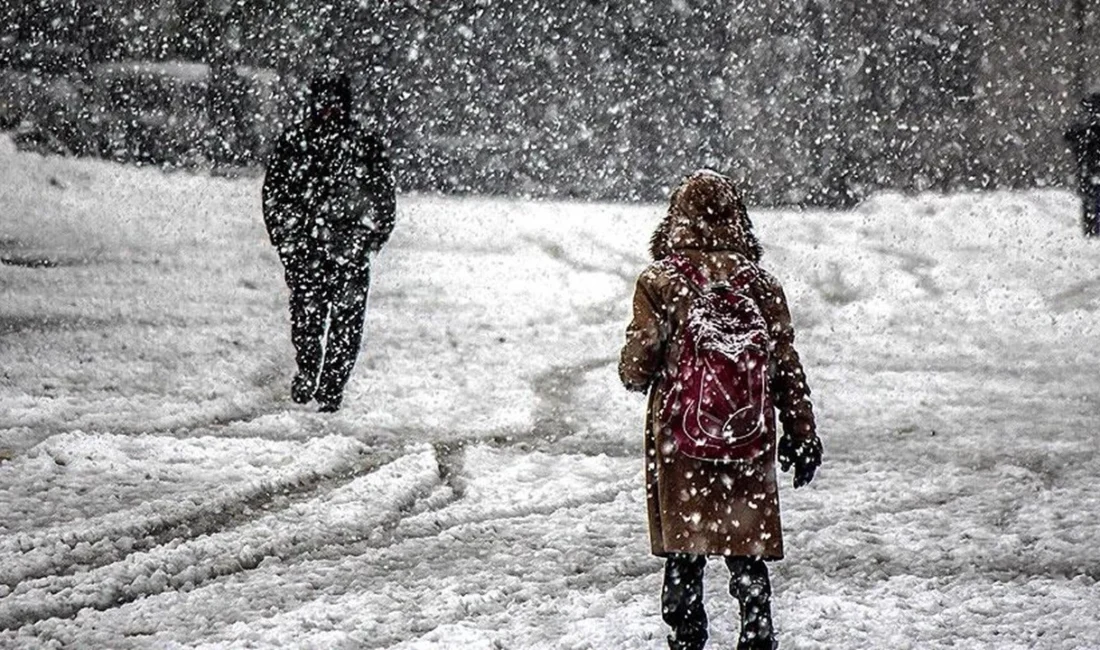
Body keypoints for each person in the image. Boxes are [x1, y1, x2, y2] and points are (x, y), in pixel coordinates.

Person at [619, 170, 822, 650]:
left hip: (680, 436)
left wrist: (640, 368)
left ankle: (687, 634)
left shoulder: (660, 282)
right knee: (743, 543)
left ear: (675, 220)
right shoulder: (761, 285)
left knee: (685, 547)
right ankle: (756, 629)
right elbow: (785, 365)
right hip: (747, 437)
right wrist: (801, 431)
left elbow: (638, 364)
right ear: (739, 220)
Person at [262, 73, 396, 412]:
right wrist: (287, 239)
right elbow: (275, 195)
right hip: (306, 249)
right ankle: (308, 370)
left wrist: (369, 239)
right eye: (324, 103)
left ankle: (332, 387)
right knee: (307, 317)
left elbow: (383, 198)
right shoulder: (295, 143)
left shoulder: (364, 145)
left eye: (336, 104)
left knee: (346, 325)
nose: (330, 111)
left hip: (348, 250)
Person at [1065, 93, 1100, 237]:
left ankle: (1092, 229)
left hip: (1089, 171)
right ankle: (1092, 229)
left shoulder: (1084, 130)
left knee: (1091, 201)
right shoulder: (1085, 130)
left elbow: (1071, 138)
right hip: (1090, 171)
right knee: (1091, 201)